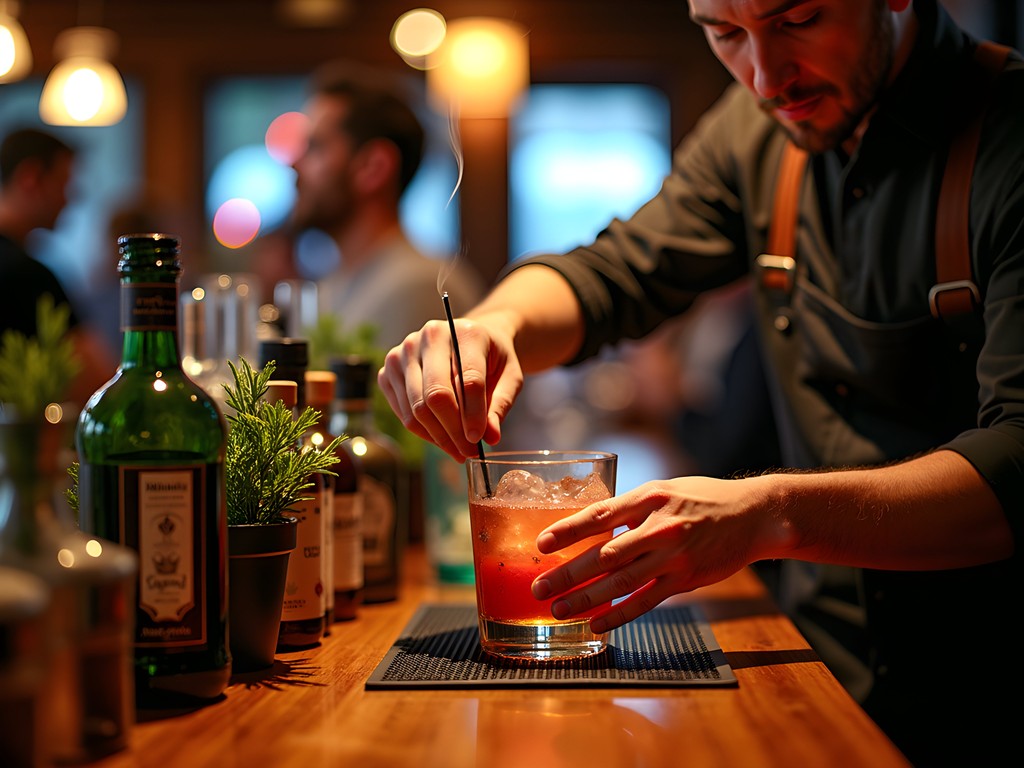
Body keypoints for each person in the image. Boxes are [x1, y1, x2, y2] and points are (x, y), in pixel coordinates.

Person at [377, 2, 1023, 764]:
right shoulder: (756, 128)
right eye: (723, 33)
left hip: (992, 692)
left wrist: (770, 513)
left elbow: (1016, 466)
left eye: (801, 18)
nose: (762, 73)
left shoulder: (1007, 141)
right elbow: (615, 274)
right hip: (815, 673)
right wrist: (497, 325)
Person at [291, 60, 486, 351]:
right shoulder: (336, 282)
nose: (295, 165)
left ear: (374, 167)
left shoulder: (419, 287)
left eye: (316, 147)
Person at [0, 128, 117, 408]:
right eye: (64, 183)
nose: (70, 199)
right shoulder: (28, 277)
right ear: (31, 179)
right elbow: (99, 391)